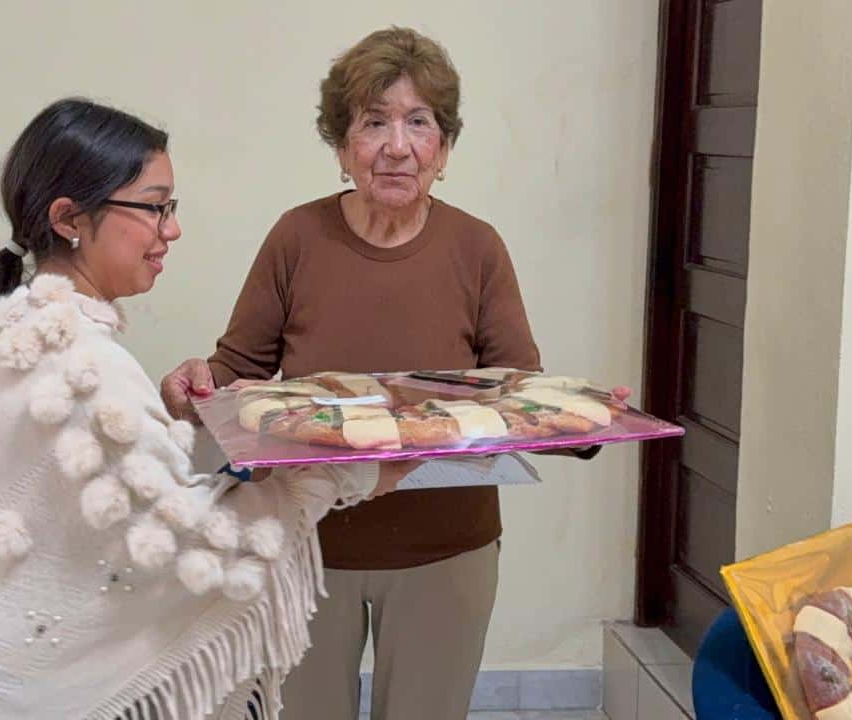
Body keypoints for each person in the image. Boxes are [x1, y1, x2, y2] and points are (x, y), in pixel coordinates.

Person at [0, 97, 411, 720]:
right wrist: (347, 470)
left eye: (172, 207)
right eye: (155, 206)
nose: (172, 229)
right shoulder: (80, 361)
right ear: (69, 218)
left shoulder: (28, 327)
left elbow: (114, 505)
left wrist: (215, 426)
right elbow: (184, 551)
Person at [161, 28, 626, 720]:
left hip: (449, 549)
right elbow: (240, 372)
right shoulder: (297, 236)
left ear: (444, 147)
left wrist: (588, 418)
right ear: (342, 145)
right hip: (307, 542)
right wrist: (194, 383)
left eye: (419, 122)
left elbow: (516, 394)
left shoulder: (477, 247)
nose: (397, 145)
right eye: (373, 123)